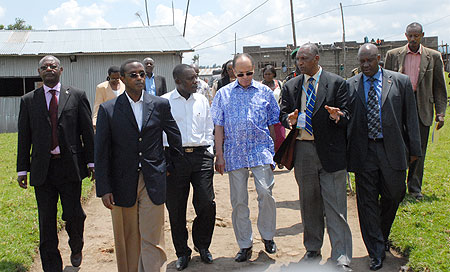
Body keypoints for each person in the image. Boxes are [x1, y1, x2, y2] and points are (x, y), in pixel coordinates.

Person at [95, 59, 183, 272]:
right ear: (123, 79)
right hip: (121, 180)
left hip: (153, 178)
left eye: (142, 74)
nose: (139, 78)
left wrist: (169, 166)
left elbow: (174, 136)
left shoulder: (159, 104)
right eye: (133, 75)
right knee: (128, 236)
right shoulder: (109, 109)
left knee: (153, 236)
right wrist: (104, 188)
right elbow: (101, 151)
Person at [278, 43, 353, 272]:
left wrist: (338, 116)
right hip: (304, 151)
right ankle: (312, 248)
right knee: (308, 203)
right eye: (298, 59)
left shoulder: (337, 83)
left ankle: (341, 255)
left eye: (304, 59)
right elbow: (282, 115)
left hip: (330, 152)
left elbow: (348, 115)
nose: (300, 63)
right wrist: (288, 120)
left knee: (335, 205)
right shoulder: (291, 86)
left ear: (317, 58)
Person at [16, 55, 94, 271]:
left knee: (74, 214)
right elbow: (24, 137)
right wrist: (22, 169)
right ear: (39, 72)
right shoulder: (29, 100)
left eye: (53, 66)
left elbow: (87, 131)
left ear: (61, 70)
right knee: (46, 220)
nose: (48, 69)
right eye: (44, 67)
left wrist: (91, 162)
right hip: (43, 170)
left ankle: (76, 245)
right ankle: (51, 265)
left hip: (70, 167)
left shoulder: (76, 96)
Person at [347, 43, 421, 271]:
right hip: (364, 151)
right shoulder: (350, 85)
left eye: (370, 61)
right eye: (362, 62)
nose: (366, 65)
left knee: (394, 194)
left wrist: (415, 151)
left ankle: (381, 233)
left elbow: (411, 118)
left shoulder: (400, 81)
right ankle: (376, 251)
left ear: (379, 59)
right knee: (367, 202)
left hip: (392, 150)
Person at [211, 53, 279, 262]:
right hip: (235, 151)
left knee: (265, 192)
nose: (245, 77)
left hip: (260, 149)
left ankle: (267, 236)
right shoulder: (223, 94)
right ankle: (245, 244)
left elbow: (272, 124)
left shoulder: (265, 92)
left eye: (249, 73)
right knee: (239, 200)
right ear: (233, 72)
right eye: (241, 74)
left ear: (254, 70)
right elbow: (218, 127)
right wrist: (219, 155)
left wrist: (274, 152)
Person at [384, 22, 447, 200]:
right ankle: (397, 187)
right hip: (399, 108)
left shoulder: (433, 56)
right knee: (397, 147)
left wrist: (440, 113)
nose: (412, 39)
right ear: (405, 36)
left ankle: (414, 188)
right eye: (410, 36)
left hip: (422, 108)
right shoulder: (393, 55)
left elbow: (440, 87)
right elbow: (385, 85)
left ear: (422, 36)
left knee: (418, 150)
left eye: (416, 36)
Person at [162, 64, 216, 271]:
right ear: (177, 81)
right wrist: (164, 161)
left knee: (206, 203)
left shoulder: (202, 100)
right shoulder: (165, 102)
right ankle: (182, 252)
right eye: (191, 78)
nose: (196, 81)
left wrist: (209, 152)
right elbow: (159, 132)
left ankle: (202, 246)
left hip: (201, 156)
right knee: (176, 208)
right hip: (174, 158)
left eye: (196, 77)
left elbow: (209, 126)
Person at [262, 65, 286, 169]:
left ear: (273, 74)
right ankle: (269, 161)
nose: (267, 76)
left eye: (269, 74)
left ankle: (280, 158)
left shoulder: (279, 84)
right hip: (264, 117)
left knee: (280, 138)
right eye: (265, 74)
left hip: (277, 116)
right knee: (267, 139)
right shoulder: (259, 86)